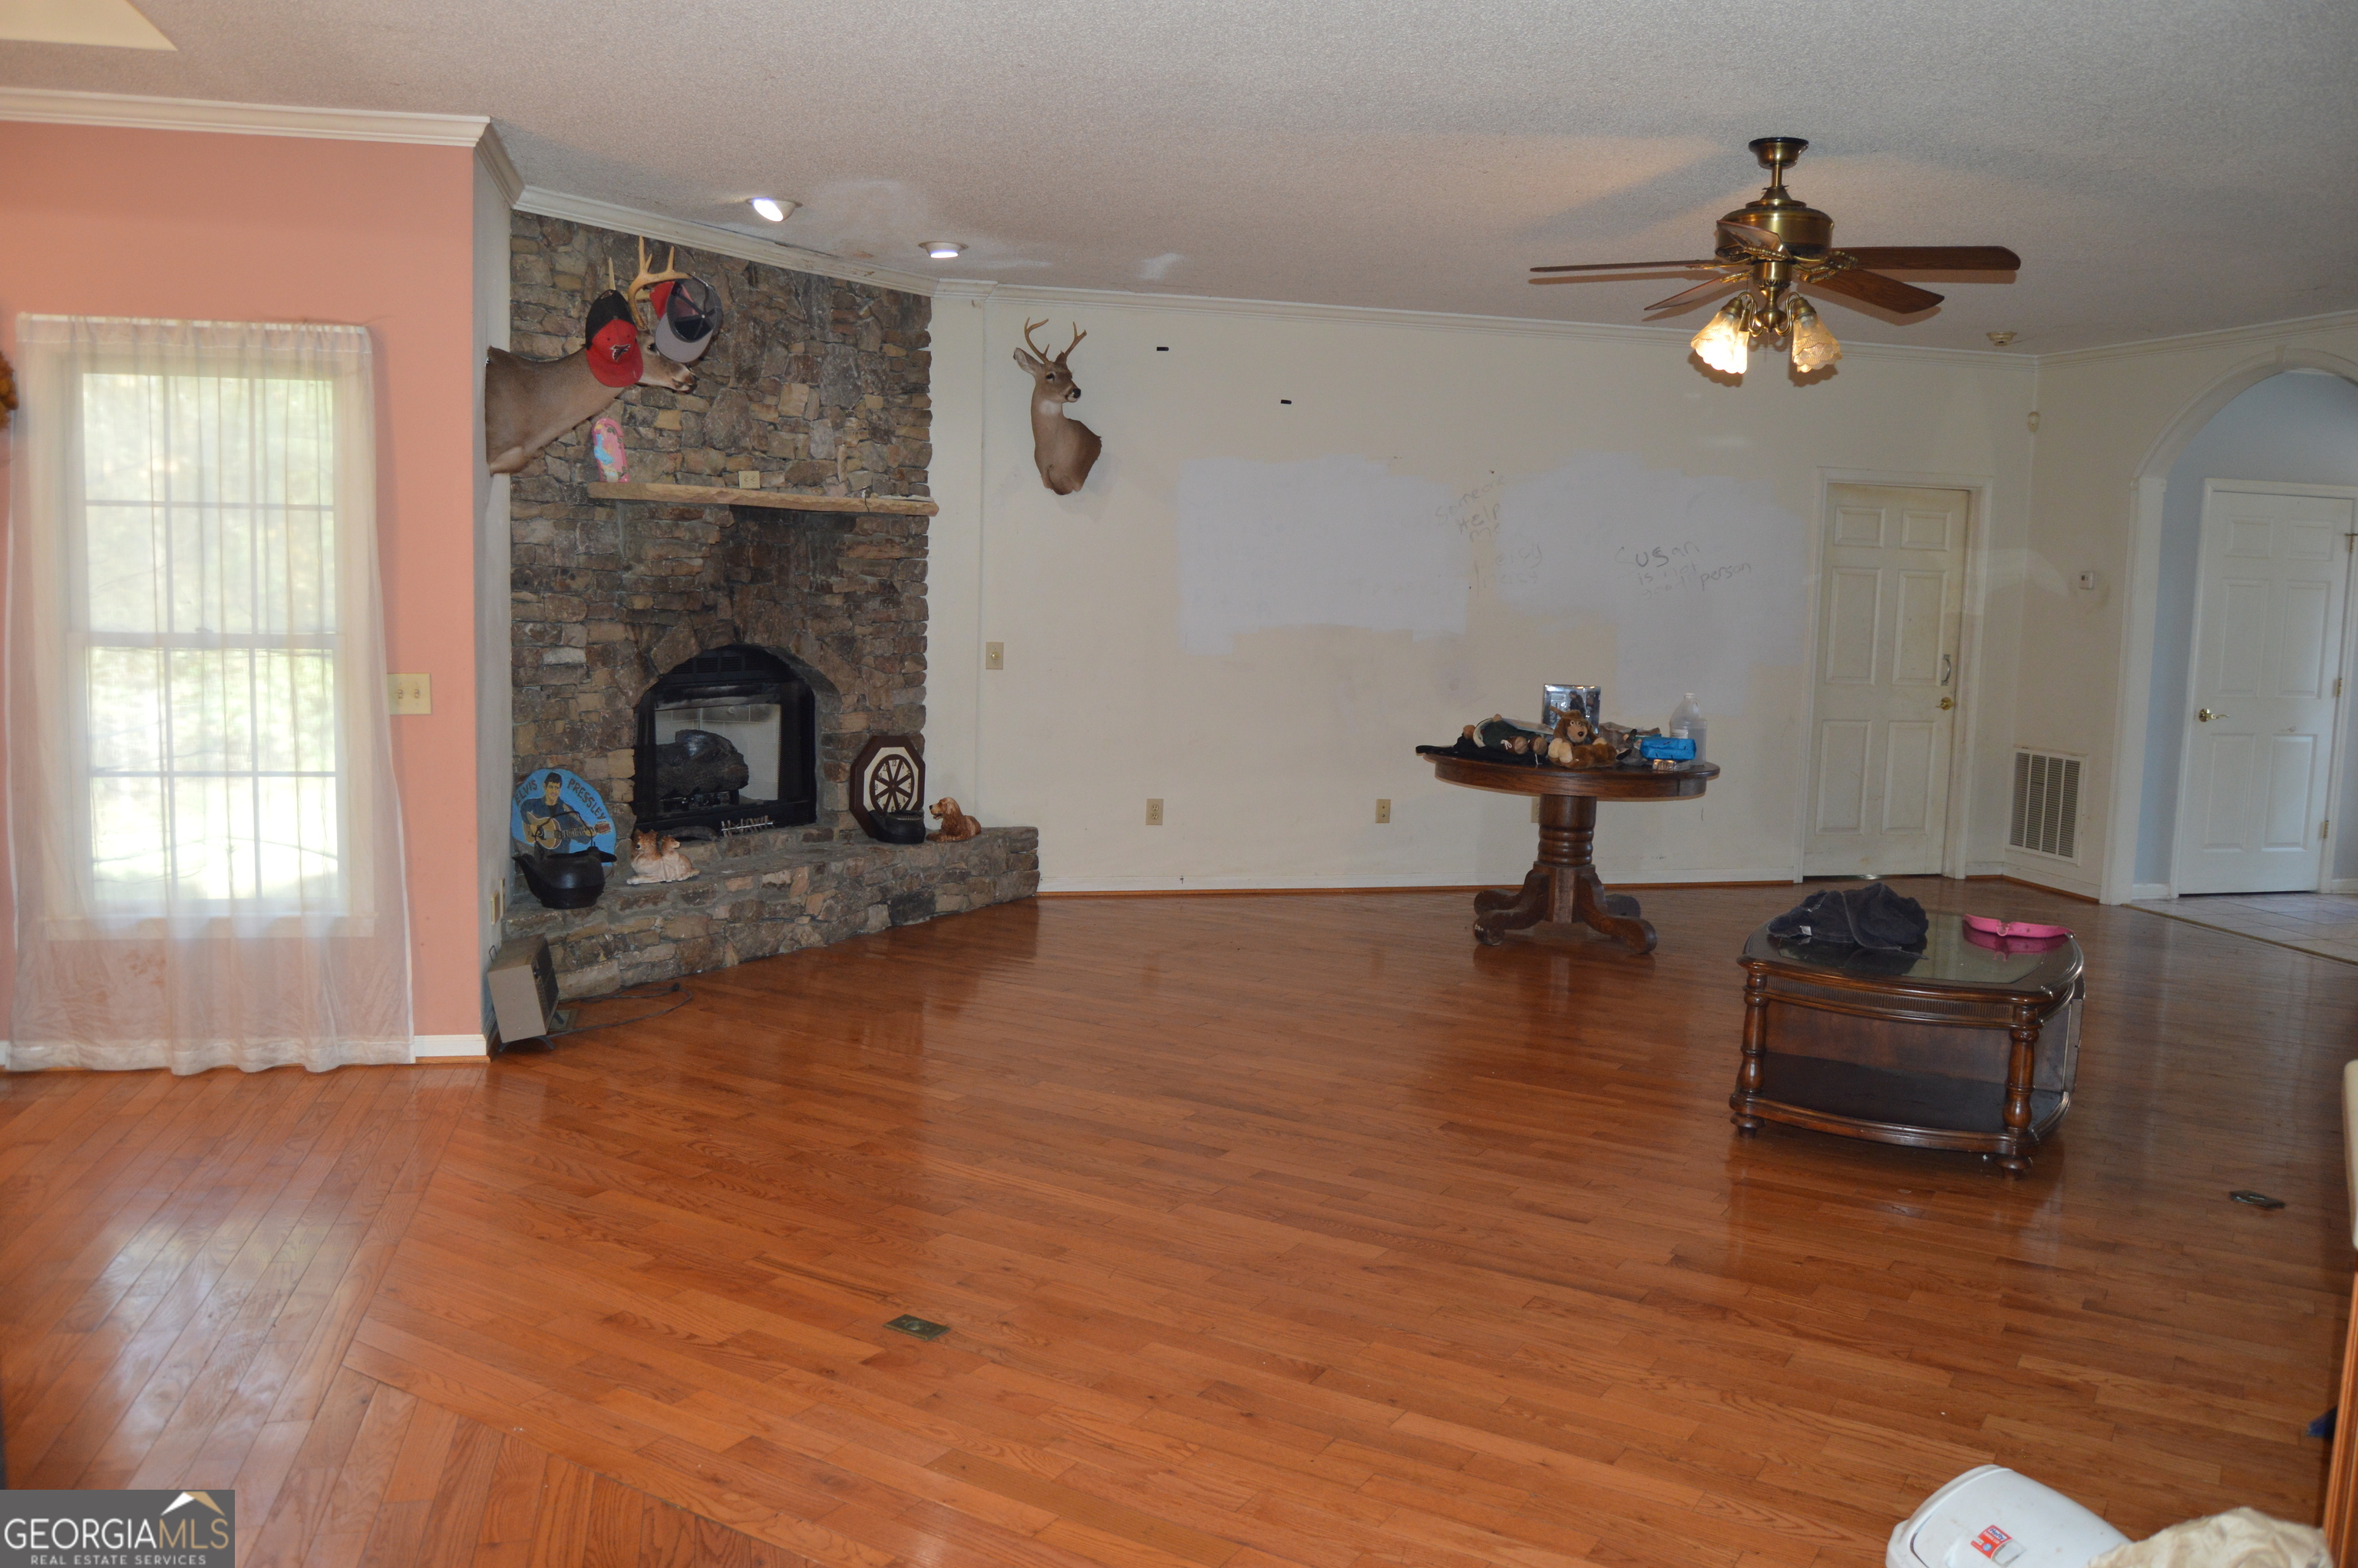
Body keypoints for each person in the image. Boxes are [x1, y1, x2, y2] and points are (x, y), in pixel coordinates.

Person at [519, 773, 606, 853]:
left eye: (557, 788)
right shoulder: (535, 804)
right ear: (544, 787)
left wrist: (589, 835)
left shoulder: (568, 811)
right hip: (541, 854)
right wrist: (531, 824)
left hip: (562, 856)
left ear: (560, 790)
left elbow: (580, 837)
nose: (554, 791)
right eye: (551, 787)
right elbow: (523, 809)